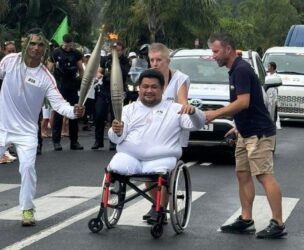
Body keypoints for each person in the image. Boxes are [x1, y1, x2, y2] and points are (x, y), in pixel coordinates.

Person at [0, 33, 85, 226]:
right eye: (33, 44)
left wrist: (74, 111)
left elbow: (59, 105)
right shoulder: (10, 61)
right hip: (1, 127)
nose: (36, 48)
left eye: (40, 45)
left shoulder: (46, 77)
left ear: (44, 50)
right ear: (26, 45)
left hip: (27, 131)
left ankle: (27, 209)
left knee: (27, 167)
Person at [206, 32, 287, 239]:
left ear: (228, 49)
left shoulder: (241, 69)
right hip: (245, 131)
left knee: (263, 175)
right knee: (242, 174)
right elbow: (246, 107)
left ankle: (277, 223)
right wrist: (237, 127)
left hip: (258, 133)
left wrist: (215, 113)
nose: (213, 56)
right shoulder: (234, 70)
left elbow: (243, 102)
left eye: (215, 51)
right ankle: (246, 219)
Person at [107, 68, 203, 176]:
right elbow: (116, 139)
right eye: (145, 87)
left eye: (154, 87)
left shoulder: (176, 109)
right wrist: (117, 131)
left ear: (162, 89)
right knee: (116, 167)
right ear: (139, 88)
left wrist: (194, 113)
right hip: (129, 156)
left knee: (158, 174)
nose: (149, 91)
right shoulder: (128, 109)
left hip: (161, 159)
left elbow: (198, 125)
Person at [142, 42, 192, 223]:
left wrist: (183, 108)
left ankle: (161, 208)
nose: (155, 64)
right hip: (151, 130)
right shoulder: (147, 78)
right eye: (152, 60)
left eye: (159, 60)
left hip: (172, 133)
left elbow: (182, 102)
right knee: (147, 169)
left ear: (168, 60)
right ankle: (154, 203)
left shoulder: (180, 79)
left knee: (164, 172)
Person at [48, 34, 84, 151]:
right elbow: (49, 69)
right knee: (58, 113)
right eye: (66, 44)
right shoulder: (56, 53)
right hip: (60, 86)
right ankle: (56, 142)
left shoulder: (76, 53)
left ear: (72, 43)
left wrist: (83, 85)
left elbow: (81, 69)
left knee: (74, 112)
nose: (67, 46)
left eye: (69, 44)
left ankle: (74, 141)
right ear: (62, 42)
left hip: (72, 85)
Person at [92, 41, 130, 150]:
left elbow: (124, 73)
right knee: (99, 115)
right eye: (113, 50)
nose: (115, 52)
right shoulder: (106, 59)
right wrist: (98, 75)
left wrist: (116, 62)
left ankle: (113, 141)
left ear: (122, 51)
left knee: (115, 117)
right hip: (104, 90)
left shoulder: (125, 61)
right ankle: (98, 141)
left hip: (118, 91)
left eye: (118, 50)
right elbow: (100, 71)